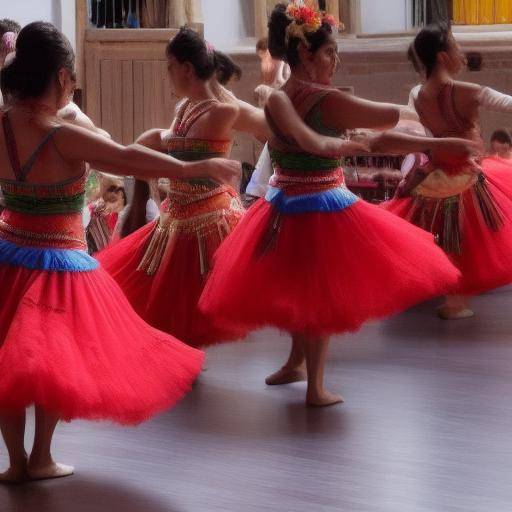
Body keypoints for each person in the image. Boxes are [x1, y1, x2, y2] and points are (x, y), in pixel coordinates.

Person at [0, 22, 239, 484]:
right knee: (48, 362)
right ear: (62, 78)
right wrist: (199, 165)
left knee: (9, 362)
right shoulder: (59, 132)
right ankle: (42, 457)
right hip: (57, 267)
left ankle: (15, 461)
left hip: (8, 256)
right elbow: (129, 159)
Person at [199, 2, 469, 407]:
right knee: (314, 295)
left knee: (297, 287)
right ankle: (315, 386)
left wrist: (435, 139)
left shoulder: (283, 94)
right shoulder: (320, 98)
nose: (335, 61)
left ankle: (297, 362)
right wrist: (428, 117)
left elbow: (379, 135)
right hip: (317, 204)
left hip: (284, 203)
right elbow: (381, 120)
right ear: (306, 55)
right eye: (329, 53)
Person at [98, 27, 255, 348]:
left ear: (186, 68)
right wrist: (151, 140)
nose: (167, 74)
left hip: (210, 217)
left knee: (191, 300)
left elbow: (174, 141)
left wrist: (151, 140)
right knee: (169, 299)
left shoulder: (223, 110)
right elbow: (171, 139)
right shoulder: (185, 107)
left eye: (169, 66)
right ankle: (180, 362)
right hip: (179, 211)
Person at [384, 22, 512, 319]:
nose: (459, 52)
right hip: (466, 177)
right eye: (454, 45)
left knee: (444, 235)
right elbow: (506, 103)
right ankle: (456, 301)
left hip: (435, 178)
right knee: (466, 240)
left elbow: (420, 127)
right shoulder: (469, 91)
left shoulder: (418, 93)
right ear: (442, 56)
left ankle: (451, 298)